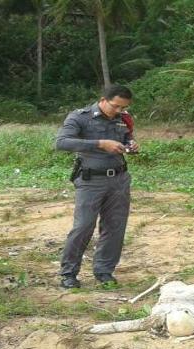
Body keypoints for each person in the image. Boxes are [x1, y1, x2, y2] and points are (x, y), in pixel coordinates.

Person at [55, 84, 140, 288]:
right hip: (91, 180)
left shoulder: (123, 119)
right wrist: (99, 144)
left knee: (115, 227)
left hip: (119, 179)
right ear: (103, 100)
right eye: (116, 106)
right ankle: (69, 273)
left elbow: (127, 137)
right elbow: (62, 142)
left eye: (123, 107)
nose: (119, 111)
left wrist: (132, 145)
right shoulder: (80, 117)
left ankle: (104, 271)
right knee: (83, 226)